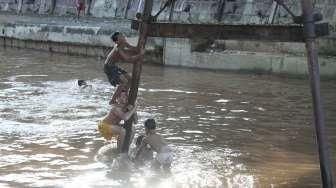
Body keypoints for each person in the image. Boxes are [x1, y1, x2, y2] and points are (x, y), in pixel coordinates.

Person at [104, 32, 145, 104]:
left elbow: (133, 48)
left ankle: (124, 95)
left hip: (113, 66)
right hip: (109, 67)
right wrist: (140, 55)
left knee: (130, 79)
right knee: (124, 82)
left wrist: (140, 47)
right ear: (117, 41)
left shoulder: (124, 43)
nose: (123, 37)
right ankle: (112, 100)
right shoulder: (118, 49)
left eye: (122, 35)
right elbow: (128, 59)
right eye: (121, 37)